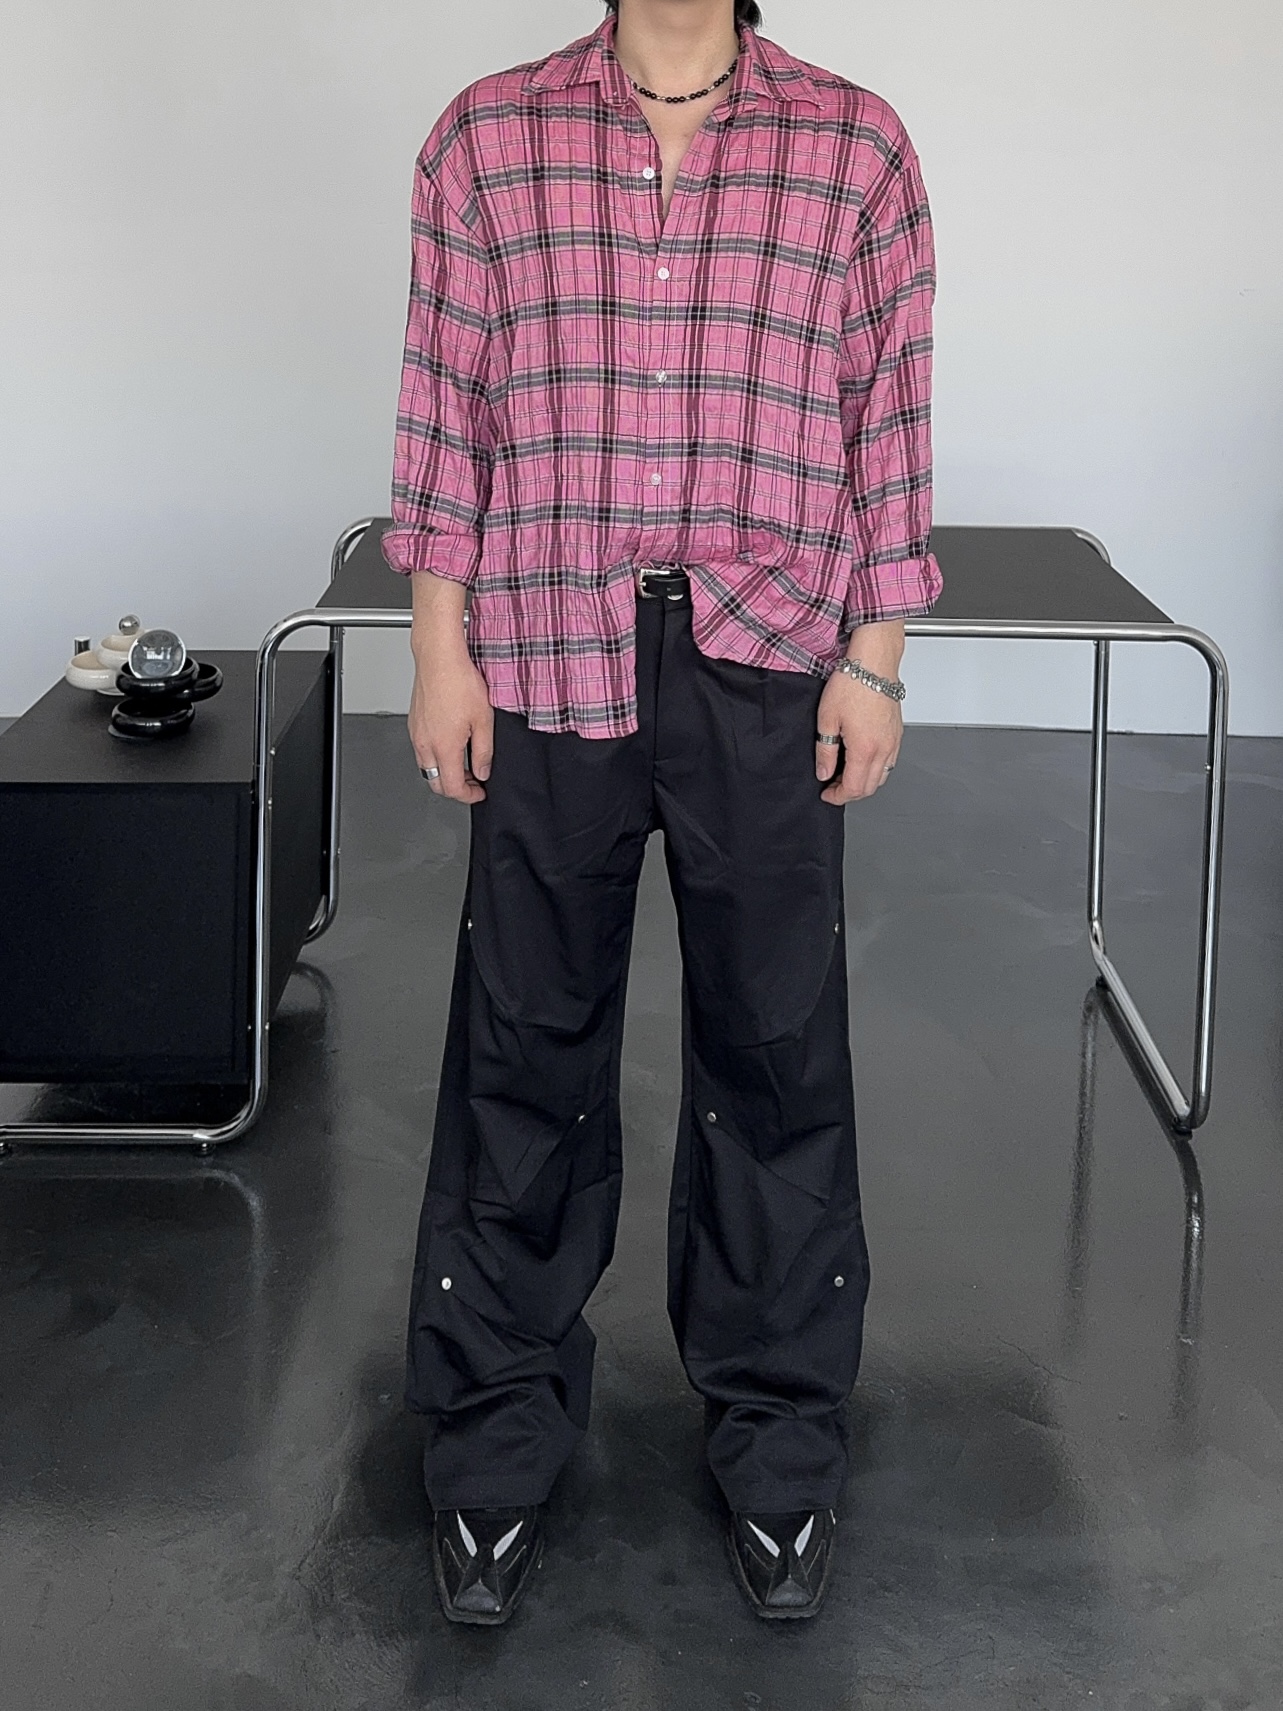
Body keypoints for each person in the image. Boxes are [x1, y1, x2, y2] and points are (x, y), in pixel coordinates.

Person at [385, 0, 938, 1625]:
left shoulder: (856, 143)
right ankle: (493, 1429)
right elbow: (445, 410)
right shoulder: (487, 134)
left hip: (767, 653)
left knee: (776, 1046)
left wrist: (878, 661)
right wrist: (439, 653)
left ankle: (779, 1435)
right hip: (545, 639)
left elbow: (889, 418)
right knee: (522, 1036)